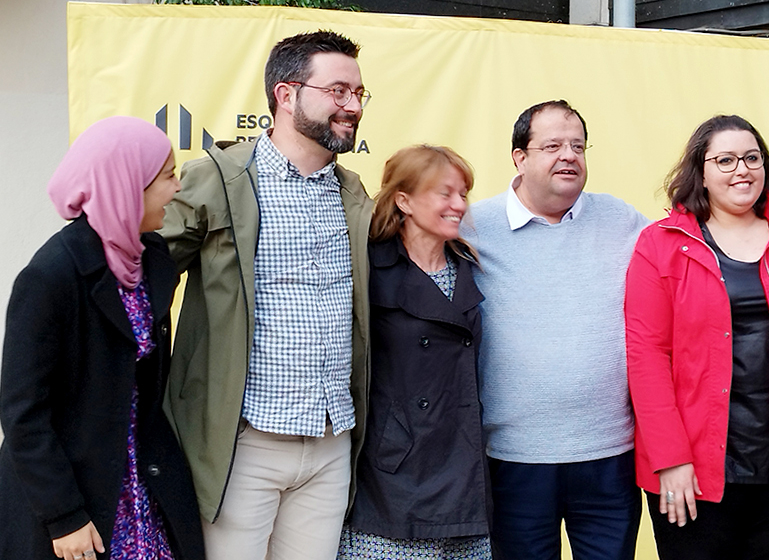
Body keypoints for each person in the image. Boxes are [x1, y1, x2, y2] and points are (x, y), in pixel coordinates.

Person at [160, 31, 374, 560]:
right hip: (243, 443)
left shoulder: (353, 192)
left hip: (330, 443)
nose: (353, 106)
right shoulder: (217, 178)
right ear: (286, 93)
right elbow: (141, 270)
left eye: (359, 94)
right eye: (339, 91)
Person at [625, 114, 769, 560]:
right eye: (725, 160)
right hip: (691, 470)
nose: (741, 170)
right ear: (702, 172)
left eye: (752, 158)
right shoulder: (660, 244)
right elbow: (647, 357)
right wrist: (670, 459)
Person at [0, 116, 203, 560]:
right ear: (127, 184)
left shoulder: (150, 257)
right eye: (167, 177)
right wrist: (64, 516)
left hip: (142, 478)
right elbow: (23, 413)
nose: (177, 189)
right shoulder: (50, 277)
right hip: (78, 497)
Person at [461, 100, 648, 560]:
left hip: (609, 455)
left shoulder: (622, 220)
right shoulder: (472, 228)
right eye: (552, 146)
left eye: (577, 146)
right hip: (512, 458)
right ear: (519, 158)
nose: (569, 155)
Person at [338, 145, 490, 559]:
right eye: (445, 193)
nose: (459, 205)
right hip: (395, 475)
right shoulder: (366, 267)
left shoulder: (468, 265)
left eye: (463, 193)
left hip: (463, 470)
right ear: (403, 200)